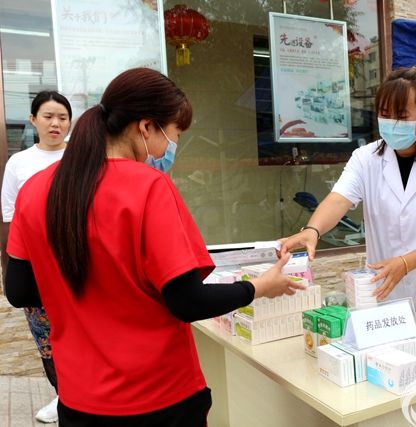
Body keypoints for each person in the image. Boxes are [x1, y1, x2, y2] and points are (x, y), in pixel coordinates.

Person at [4, 67, 305, 427]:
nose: (172, 147)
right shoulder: (149, 187)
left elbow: (20, 291)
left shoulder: (34, 190)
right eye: (175, 134)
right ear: (146, 127)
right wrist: (258, 287)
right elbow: (187, 301)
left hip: (78, 398)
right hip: (158, 396)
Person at [280, 66, 416, 322]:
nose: (392, 123)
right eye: (385, 114)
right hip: (386, 296)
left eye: (402, 115)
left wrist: (406, 263)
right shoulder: (365, 158)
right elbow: (339, 199)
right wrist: (313, 230)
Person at [1, 90, 72, 423]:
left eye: (62, 117)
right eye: (48, 116)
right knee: (46, 338)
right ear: (33, 120)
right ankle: (63, 396)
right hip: (36, 265)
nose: (55, 123)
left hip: (76, 262)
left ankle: (84, 396)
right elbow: (10, 215)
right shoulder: (19, 163)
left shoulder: (80, 158)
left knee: (82, 331)